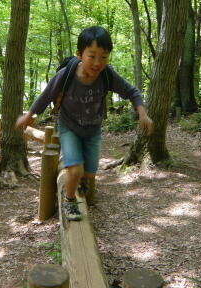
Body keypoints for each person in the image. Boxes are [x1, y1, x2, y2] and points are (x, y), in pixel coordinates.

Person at [16, 26, 153, 221]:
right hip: (69, 127)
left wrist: (143, 113)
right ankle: (70, 201)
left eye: (104, 57)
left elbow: (132, 92)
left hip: (93, 130)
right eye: (92, 56)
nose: (98, 63)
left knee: (89, 173)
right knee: (75, 168)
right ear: (80, 54)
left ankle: (81, 185)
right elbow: (46, 95)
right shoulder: (67, 75)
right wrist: (29, 115)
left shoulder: (107, 75)